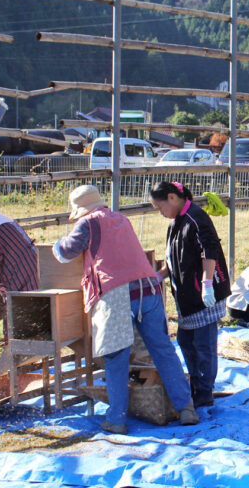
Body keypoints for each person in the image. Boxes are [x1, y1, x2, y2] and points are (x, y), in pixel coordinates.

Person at [54, 185, 197, 434]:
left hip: (117, 294)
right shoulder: (120, 218)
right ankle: (186, 408)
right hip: (149, 287)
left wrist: (57, 244)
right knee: (162, 350)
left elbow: (66, 253)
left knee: (116, 356)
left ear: (81, 210)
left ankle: (116, 419)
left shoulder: (87, 223)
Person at [150, 181, 231, 409]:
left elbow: (209, 250)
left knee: (203, 344)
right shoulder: (176, 222)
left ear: (172, 198)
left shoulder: (197, 218)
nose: (161, 212)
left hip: (203, 294)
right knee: (186, 341)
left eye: (160, 206)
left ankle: (204, 391)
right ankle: (196, 385)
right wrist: (162, 274)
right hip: (186, 296)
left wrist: (207, 283)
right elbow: (172, 255)